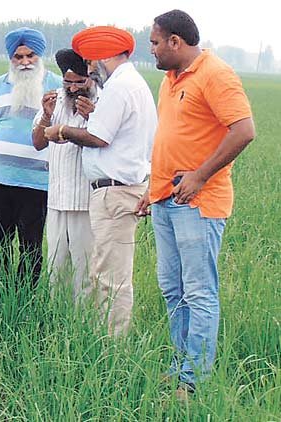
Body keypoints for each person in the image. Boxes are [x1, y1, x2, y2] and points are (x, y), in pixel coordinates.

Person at [135, 9, 255, 398]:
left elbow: (244, 130)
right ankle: (179, 366)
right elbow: (172, 139)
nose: (152, 49)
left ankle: (193, 380)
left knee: (198, 292)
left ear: (176, 41)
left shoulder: (215, 74)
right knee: (173, 288)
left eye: (155, 42)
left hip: (198, 202)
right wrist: (152, 189)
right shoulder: (169, 80)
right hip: (166, 198)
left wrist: (200, 176)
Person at [42, 26, 157, 336]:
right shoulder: (129, 84)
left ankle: (112, 347)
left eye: (91, 62)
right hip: (114, 191)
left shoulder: (119, 87)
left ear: (105, 57)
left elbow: (98, 138)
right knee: (103, 273)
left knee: (110, 279)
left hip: (115, 192)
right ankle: (99, 338)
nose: (90, 69)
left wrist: (62, 131)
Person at [0, 27, 62, 297]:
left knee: (31, 246)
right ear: (11, 58)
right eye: (18, 57)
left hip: (37, 182)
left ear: (40, 55)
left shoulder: (56, 86)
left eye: (30, 55)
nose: (25, 62)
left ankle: (24, 299)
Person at [32, 48, 97, 300]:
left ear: (90, 78)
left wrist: (92, 116)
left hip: (86, 202)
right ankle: (57, 315)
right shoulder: (55, 99)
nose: (72, 88)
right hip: (57, 199)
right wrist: (46, 116)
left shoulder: (101, 101)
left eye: (79, 82)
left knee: (85, 270)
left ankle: (84, 319)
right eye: (67, 82)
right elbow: (38, 142)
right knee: (56, 268)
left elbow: (103, 139)